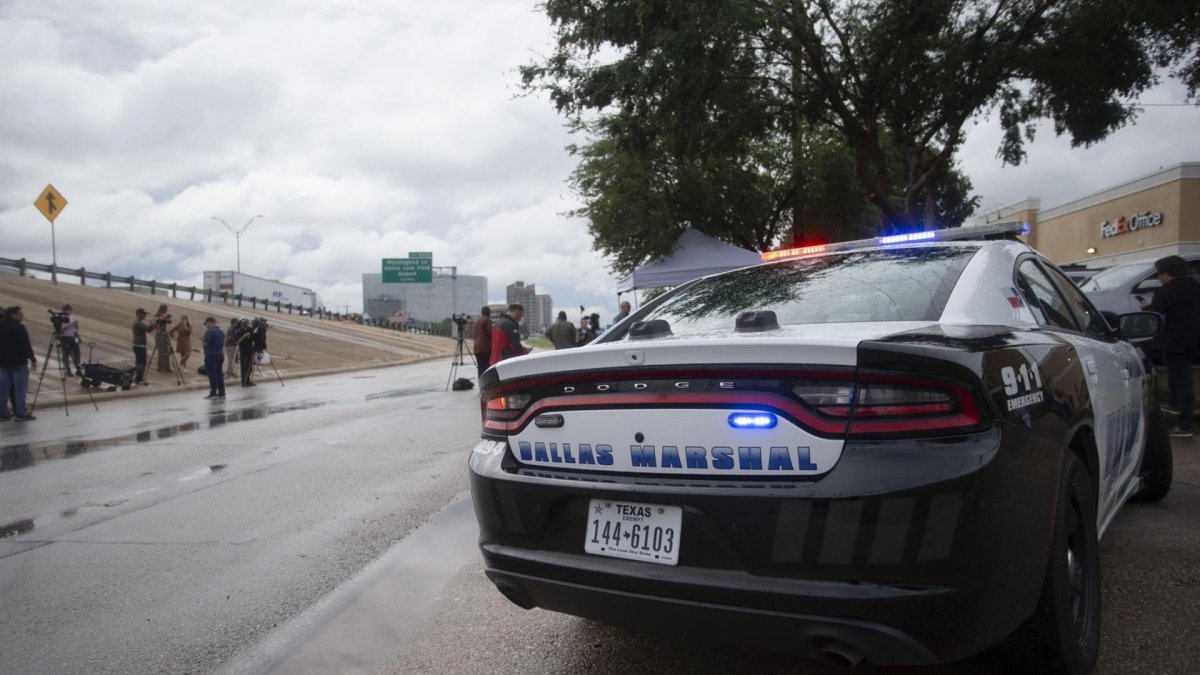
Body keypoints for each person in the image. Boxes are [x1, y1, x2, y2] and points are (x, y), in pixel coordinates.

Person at [1140, 255, 1200, 437]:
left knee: (1183, 381)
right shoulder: (1195, 286)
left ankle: (1185, 425)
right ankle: (1174, 404)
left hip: (1175, 339)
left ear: (1166, 273)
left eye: (1159, 273)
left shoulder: (1165, 292)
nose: (1158, 277)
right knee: (1180, 375)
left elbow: (1156, 313)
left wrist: (1146, 307)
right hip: (1194, 337)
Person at [0, 306, 37, 421]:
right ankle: (21, 412)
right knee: (20, 388)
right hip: (18, 362)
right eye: (19, 314)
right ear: (12, 315)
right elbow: (25, 344)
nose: (21, 316)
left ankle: (3, 413)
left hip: (2, 362)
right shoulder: (19, 327)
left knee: (3, 388)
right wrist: (32, 358)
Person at [201, 316, 226, 399]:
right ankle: (221, 392)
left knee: (212, 375)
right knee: (219, 374)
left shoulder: (209, 332)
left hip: (211, 355)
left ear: (209, 322)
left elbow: (206, 343)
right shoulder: (221, 332)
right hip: (220, 354)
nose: (206, 326)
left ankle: (213, 393)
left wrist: (202, 340)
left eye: (206, 324)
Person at [131, 308, 155, 385]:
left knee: (139, 362)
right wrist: (153, 323)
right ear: (138, 314)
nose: (144, 316)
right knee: (142, 362)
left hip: (137, 345)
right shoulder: (138, 323)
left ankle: (138, 378)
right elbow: (148, 329)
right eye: (143, 314)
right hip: (139, 345)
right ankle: (139, 379)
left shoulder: (137, 322)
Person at [58, 303, 82, 376]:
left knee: (76, 354)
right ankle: (67, 370)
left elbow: (76, 328)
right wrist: (72, 324)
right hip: (65, 337)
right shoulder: (62, 318)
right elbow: (61, 329)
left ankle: (78, 369)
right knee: (66, 354)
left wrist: (77, 332)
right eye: (69, 310)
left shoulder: (72, 317)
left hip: (73, 337)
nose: (70, 311)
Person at [469, 306, 493, 377]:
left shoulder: (477, 322)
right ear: (488, 312)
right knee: (487, 367)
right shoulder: (487, 320)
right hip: (486, 348)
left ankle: (481, 381)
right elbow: (491, 332)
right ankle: (487, 383)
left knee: (480, 367)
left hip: (477, 349)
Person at [237, 319, 257, 386]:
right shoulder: (239, 331)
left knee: (249, 367)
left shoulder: (250, 330)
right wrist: (243, 336)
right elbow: (238, 341)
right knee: (244, 367)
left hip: (250, 350)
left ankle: (248, 381)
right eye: (245, 323)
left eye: (247, 322)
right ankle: (244, 382)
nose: (247, 324)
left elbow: (255, 337)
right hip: (243, 351)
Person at [153, 303, 172, 371]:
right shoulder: (158, 316)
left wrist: (167, 318)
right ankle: (161, 366)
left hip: (164, 333)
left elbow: (169, 321)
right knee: (161, 351)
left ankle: (166, 366)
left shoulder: (162, 315)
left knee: (167, 350)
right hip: (160, 333)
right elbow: (155, 322)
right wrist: (163, 318)